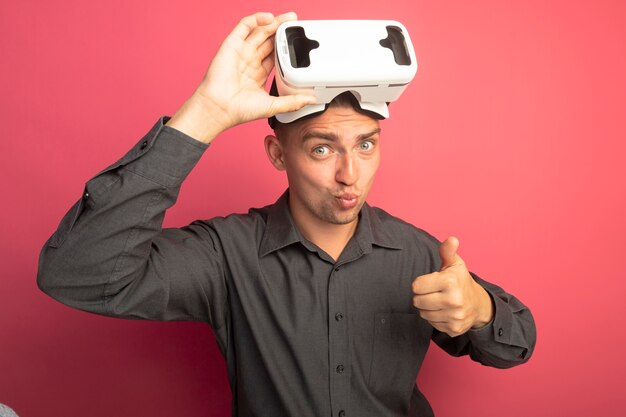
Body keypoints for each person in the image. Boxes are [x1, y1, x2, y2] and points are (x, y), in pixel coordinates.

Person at [37, 11, 536, 417]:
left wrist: (480, 309)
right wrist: (206, 112)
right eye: (322, 150)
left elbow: (516, 346)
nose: (350, 174)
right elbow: (76, 273)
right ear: (279, 155)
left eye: (365, 145)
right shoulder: (225, 255)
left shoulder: (418, 253)